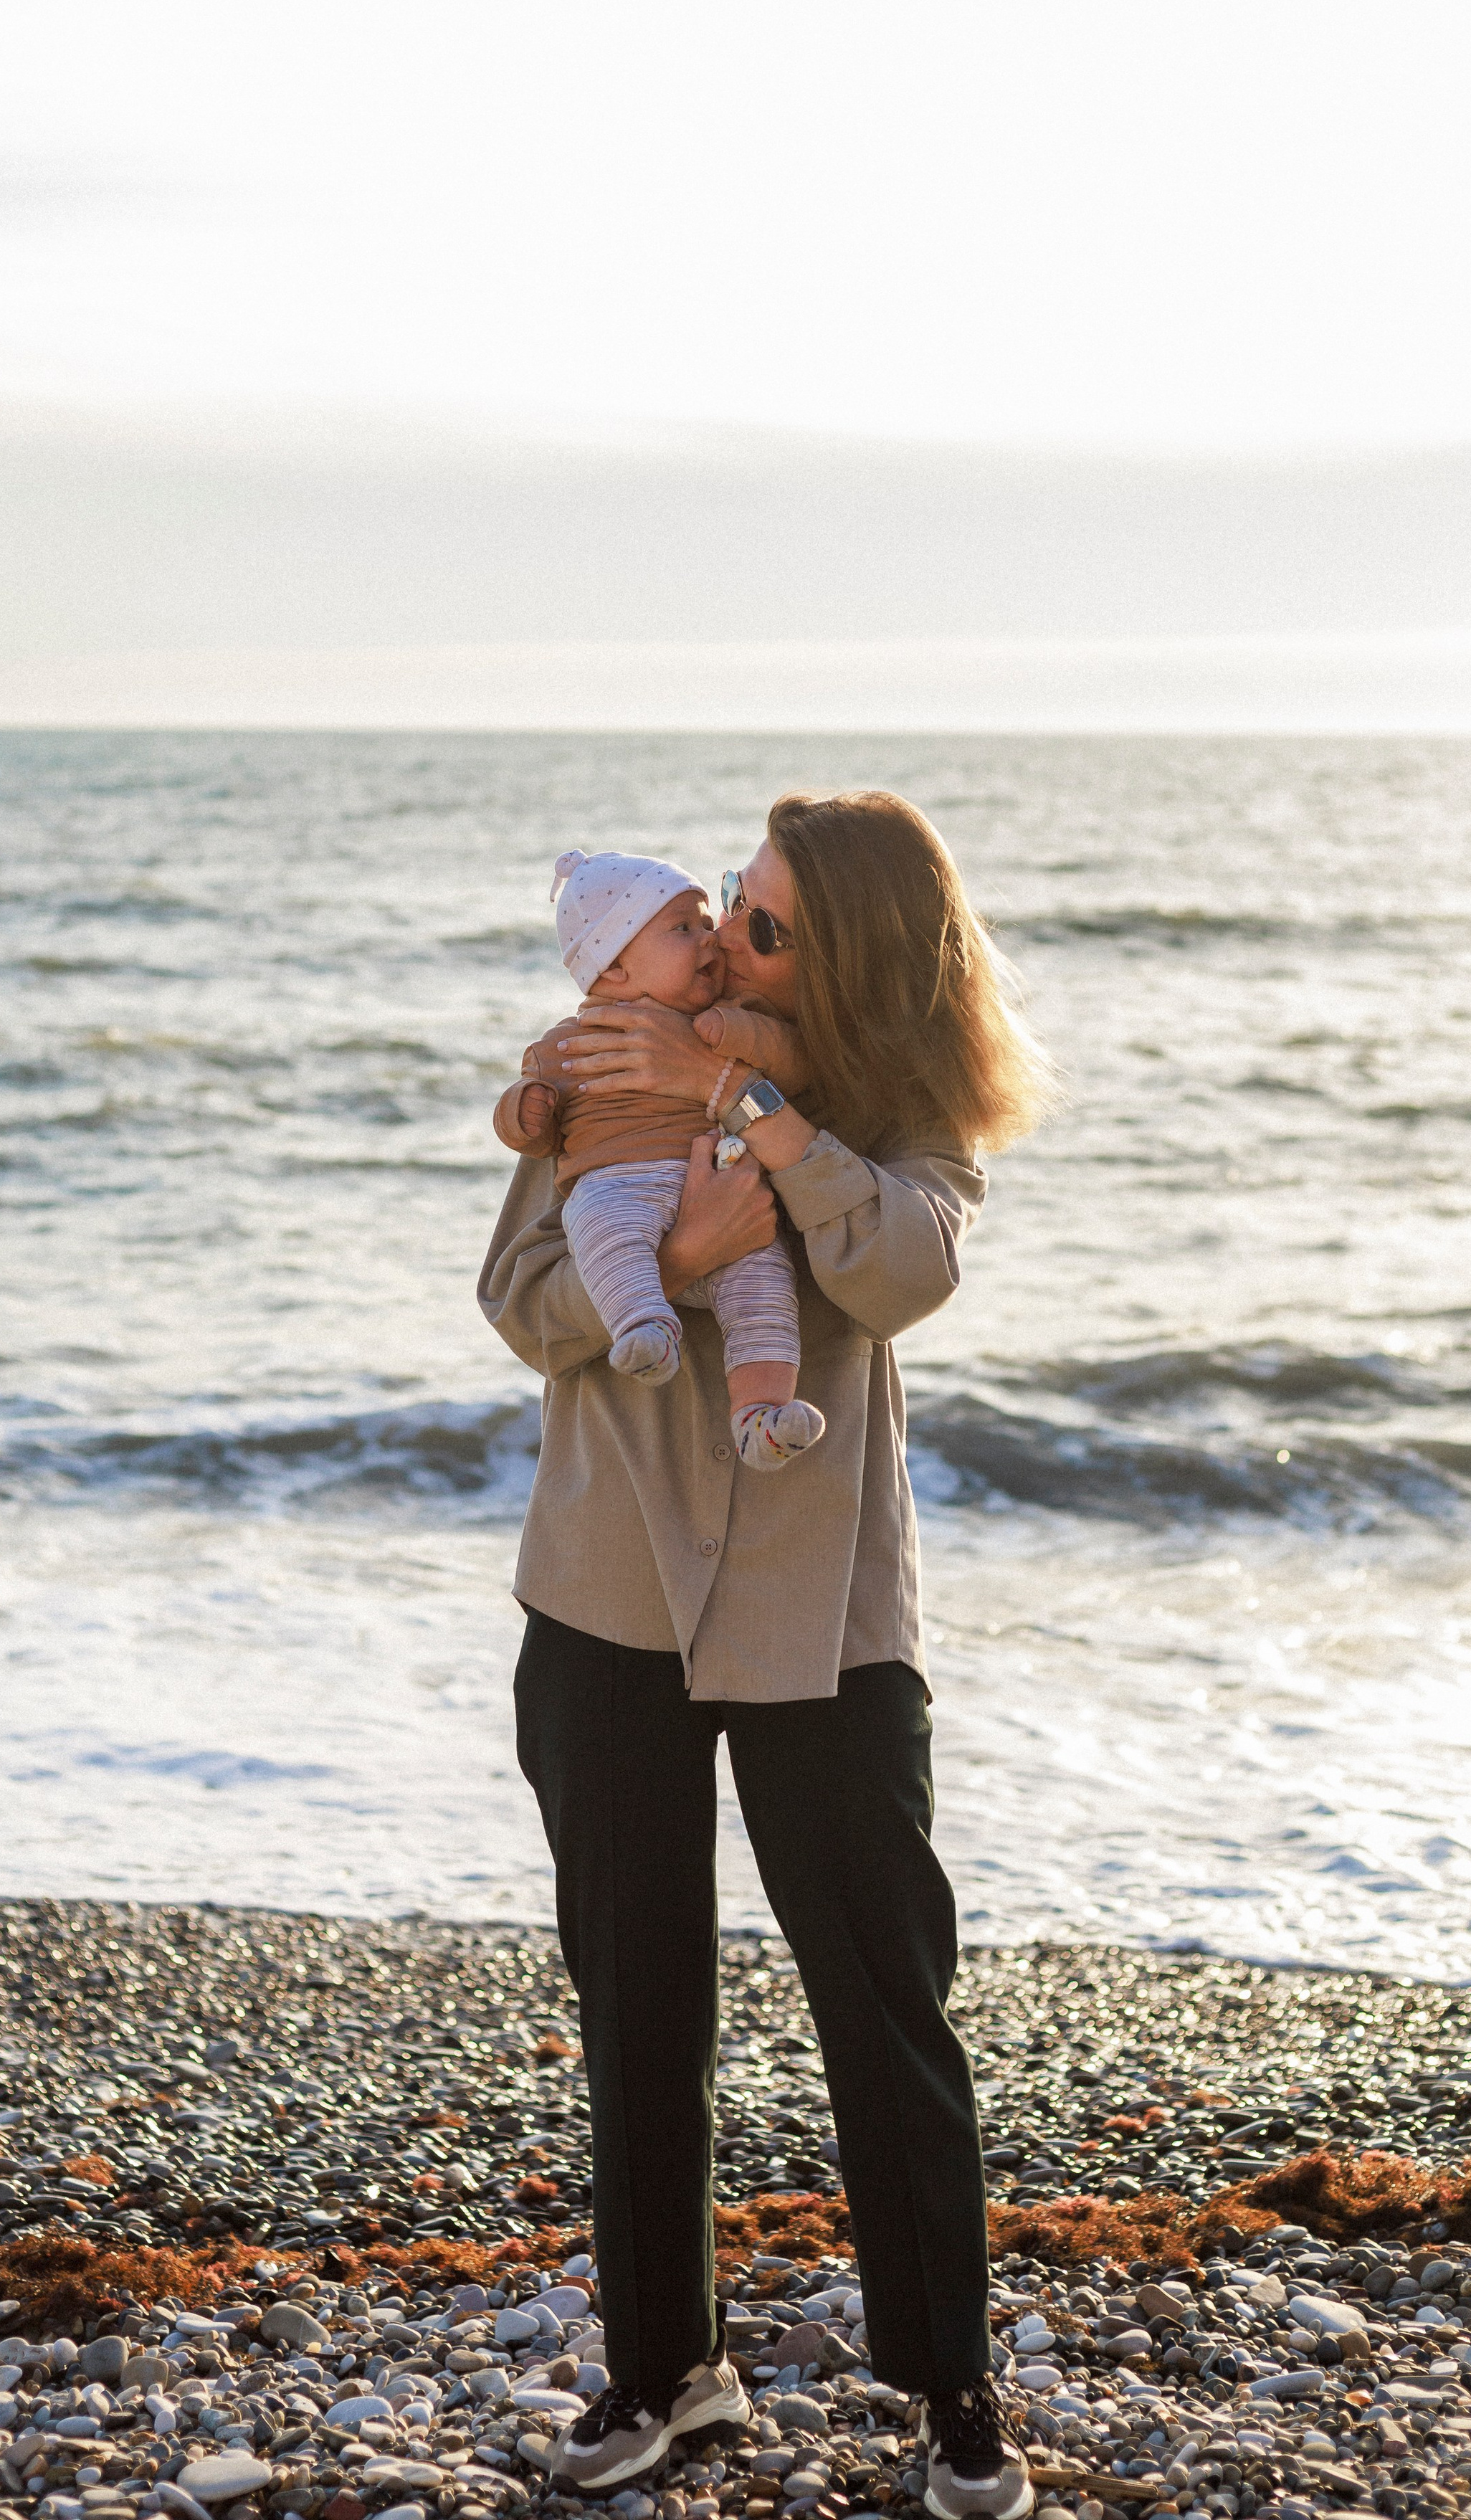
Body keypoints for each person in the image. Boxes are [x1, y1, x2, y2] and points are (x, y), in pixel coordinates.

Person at [477, 790, 1052, 2520]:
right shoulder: (601, 1047)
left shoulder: (897, 1108)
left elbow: (903, 1269)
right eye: (730, 897)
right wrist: (666, 1253)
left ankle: (952, 2391)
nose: (727, 932)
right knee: (635, 1993)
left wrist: (759, 1121)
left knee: (883, 1994)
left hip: (825, 1620)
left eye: (770, 921)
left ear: (855, 956)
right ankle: (664, 2370)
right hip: (604, 1591)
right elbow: (517, 1289)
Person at [492, 845, 823, 1468]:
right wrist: (526, 1111)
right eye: (683, 928)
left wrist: (738, 1041)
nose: (710, 939)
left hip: (724, 1182)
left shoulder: (730, 1017)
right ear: (613, 970)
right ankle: (644, 1325)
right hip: (620, 1185)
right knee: (600, 1228)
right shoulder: (570, 1046)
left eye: (705, 921)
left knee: (765, 1287)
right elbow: (530, 1123)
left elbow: (797, 1063)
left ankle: (760, 1415)